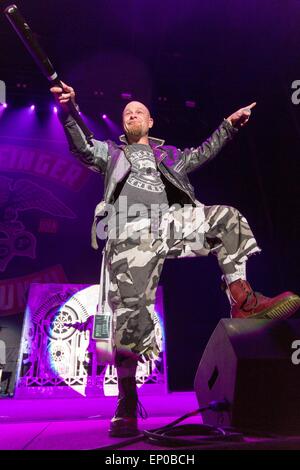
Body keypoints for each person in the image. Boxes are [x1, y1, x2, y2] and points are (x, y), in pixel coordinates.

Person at [51, 83, 300, 437]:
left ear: (150, 121)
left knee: (226, 219)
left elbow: (201, 153)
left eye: (138, 111)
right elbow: (82, 148)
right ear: (124, 125)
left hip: (169, 224)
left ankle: (242, 300)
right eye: (126, 113)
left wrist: (227, 126)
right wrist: (69, 111)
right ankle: (126, 400)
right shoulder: (111, 152)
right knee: (131, 317)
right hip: (128, 230)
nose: (132, 114)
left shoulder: (168, 155)